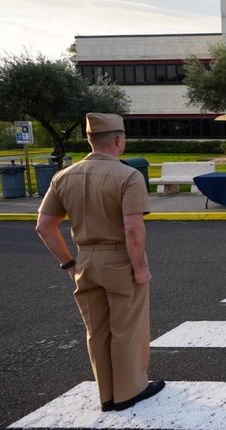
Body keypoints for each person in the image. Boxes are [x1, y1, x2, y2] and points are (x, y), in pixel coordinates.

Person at [35, 113, 163, 413]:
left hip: (86, 258)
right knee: (127, 327)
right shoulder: (128, 176)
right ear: (119, 140)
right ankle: (129, 391)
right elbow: (133, 229)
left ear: (90, 140)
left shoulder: (63, 176)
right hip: (120, 258)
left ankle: (106, 394)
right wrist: (140, 268)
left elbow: (44, 226)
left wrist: (69, 264)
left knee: (97, 329)